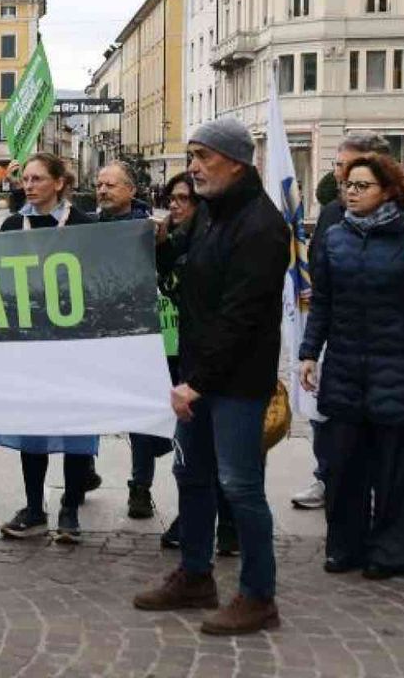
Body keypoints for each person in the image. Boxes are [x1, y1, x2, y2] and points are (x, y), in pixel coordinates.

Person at [134, 117, 288, 636]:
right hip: (199, 376)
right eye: (191, 156)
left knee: (241, 487)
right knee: (191, 476)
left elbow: (241, 316)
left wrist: (196, 382)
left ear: (237, 162)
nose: (194, 168)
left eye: (204, 157)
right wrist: (159, 243)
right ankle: (196, 576)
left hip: (236, 384)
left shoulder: (262, 226)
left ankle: (258, 595)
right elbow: (179, 275)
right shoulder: (207, 216)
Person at [300, 153, 404, 579]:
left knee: (397, 467)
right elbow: (323, 304)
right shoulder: (334, 237)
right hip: (346, 366)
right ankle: (346, 547)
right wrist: (309, 353)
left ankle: (394, 553)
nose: (350, 192)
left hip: (401, 365)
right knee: (344, 464)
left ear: (387, 190)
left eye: (361, 185)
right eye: (348, 185)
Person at [0, 153, 98, 544]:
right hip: (29, 344)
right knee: (32, 425)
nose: (29, 185)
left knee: (74, 427)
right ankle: (34, 507)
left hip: (73, 345)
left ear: (59, 183)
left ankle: (70, 508)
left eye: (37, 179)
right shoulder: (10, 226)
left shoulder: (85, 225)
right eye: (26, 179)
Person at [292, 132, 393, 511]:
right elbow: (322, 268)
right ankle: (326, 476)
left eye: (347, 167)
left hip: (382, 344)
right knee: (326, 413)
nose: (339, 175)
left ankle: (375, 491)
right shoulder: (334, 212)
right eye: (338, 166)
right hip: (335, 333)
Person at [156, 173, 238, 558]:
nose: (174, 204)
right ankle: (193, 524)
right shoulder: (177, 240)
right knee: (191, 453)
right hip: (187, 353)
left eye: (183, 198)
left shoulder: (212, 242)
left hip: (216, 360)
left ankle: (230, 527)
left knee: (221, 452)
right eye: (171, 197)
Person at [94, 162, 172, 521]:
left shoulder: (150, 229)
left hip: (140, 330)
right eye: (99, 185)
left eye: (110, 185)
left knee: (142, 415)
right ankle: (81, 472)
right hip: (97, 329)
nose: (103, 190)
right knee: (87, 403)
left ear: (130, 190)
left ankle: (140, 487)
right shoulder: (90, 226)